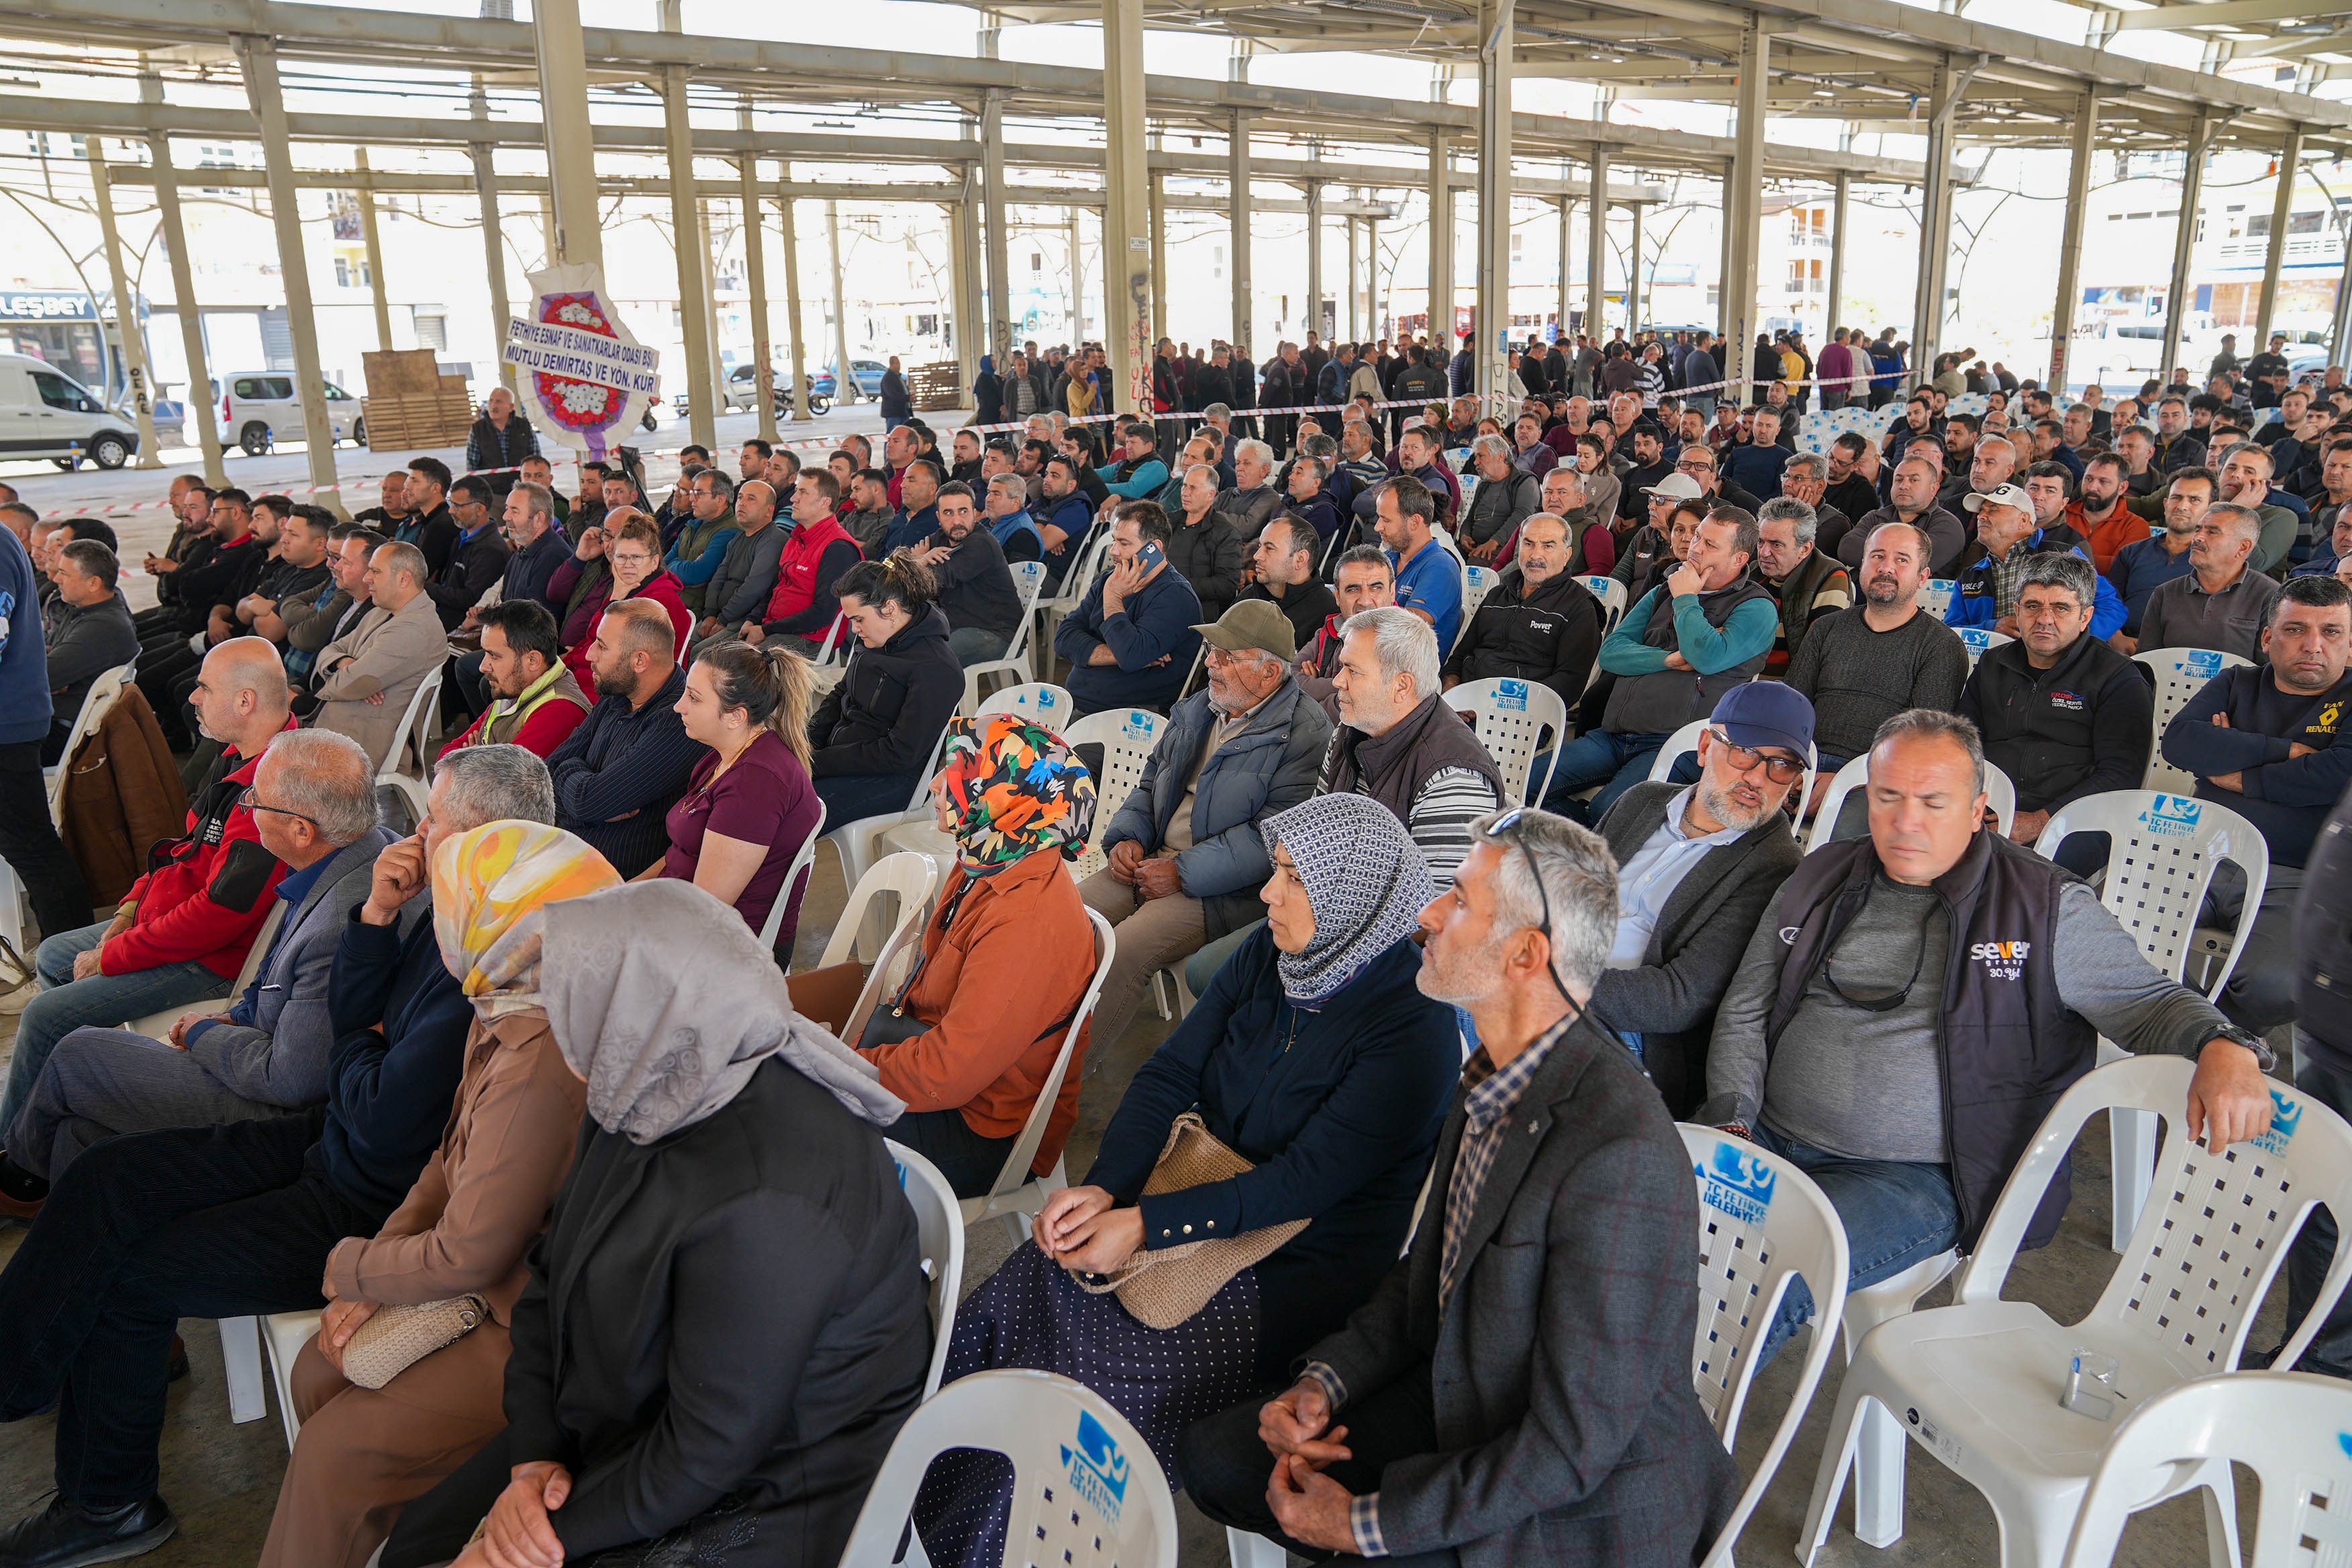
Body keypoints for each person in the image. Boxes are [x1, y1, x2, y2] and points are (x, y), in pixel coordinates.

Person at [0, 807, 599, 1568]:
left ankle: (106, 1500)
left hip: (353, 1190)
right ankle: (23, 1367)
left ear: (492, 846)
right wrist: (378, 920)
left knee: (128, 1274)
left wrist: (355, 1254)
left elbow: (354, 1091)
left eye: (439, 817)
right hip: (328, 1142)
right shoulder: (463, 946)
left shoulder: (487, 982)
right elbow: (358, 1040)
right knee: (105, 1172)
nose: (412, 830)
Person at [1181, 805, 1740, 1566]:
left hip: (1578, 1496)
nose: (1428, 913)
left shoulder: (1619, 1159)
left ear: (1524, 954)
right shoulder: (1491, 1071)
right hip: (1469, 1384)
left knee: (1356, 1532)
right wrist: (1326, 1383)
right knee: (1219, 1458)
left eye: (1461, 899)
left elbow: (1572, 1447)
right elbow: (1428, 1272)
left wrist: (1364, 1524)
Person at [924, 795, 1457, 1559]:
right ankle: (918, 1491)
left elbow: (1302, 1183)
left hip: (1300, 1256)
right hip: (1201, 1187)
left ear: (1353, 899)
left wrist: (1143, 1225)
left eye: (1294, 879)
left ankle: (1000, 1542)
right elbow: (1171, 1072)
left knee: (1099, 1366)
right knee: (1035, 1274)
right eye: (1275, 871)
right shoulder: (1276, 954)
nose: (1270, 894)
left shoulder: (1413, 1023)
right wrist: (1107, 1189)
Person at [377, 878, 928, 1568]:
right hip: (635, 1422)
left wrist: (532, 1543)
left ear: (643, 1011)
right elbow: (551, 1279)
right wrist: (533, 1456)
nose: (554, 1016)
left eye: (572, 997)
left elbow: (712, 1448)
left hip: (775, 1484)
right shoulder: (651, 1081)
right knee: (419, 1540)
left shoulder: (770, 1196)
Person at [1701, 708, 2276, 1360]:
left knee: (1752, 1276)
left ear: (1978, 810)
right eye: (1888, 797)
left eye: (1933, 802)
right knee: (1628, 1233)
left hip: (1915, 1176)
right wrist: (1732, 1120)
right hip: (1765, 1135)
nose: (1905, 821)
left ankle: (1661, 1447)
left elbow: (2147, 1003)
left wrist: (2226, 1043)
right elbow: (1747, 1008)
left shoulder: (2040, 905)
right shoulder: (1823, 874)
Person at [0, 731, 389, 1197]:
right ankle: (54, 1207)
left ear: (302, 831)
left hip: (276, 1108)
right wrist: (234, 1016)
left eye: (255, 801)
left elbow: (290, 1082)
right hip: (259, 1043)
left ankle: (16, 1179)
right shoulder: (357, 851)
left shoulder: (339, 920)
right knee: (76, 1136)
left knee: (76, 1054)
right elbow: (273, 980)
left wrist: (206, 1033)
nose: (246, 808)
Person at [0, 638, 296, 1140]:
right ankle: (67, 1100)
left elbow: (219, 916)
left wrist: (115, 956)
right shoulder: (237, 757)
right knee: (53, 954)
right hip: (175, 920)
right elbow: (180, 849)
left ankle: (18, 1160)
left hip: (215, 960)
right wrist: (129, 909)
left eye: (204, 687)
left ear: (245, 701)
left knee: (45, 1015)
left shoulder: (272, 788)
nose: (193, 698)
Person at [853, 714, 1098, 1197]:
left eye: (965, 774)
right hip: (947, 1079)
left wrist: (847, 1067)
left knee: (796, 1130)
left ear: (1010, 800)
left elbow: (948, 1075)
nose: (940, 785)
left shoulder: (1027, 918)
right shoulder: (985, 861)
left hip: (985, 1128)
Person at [1080, 602, 1332, 1046]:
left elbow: (1271, 836)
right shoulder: (1200, 707)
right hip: (1153, 859)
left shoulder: (1305, 732)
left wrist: (1182, 872)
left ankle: (1060, 1084)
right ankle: (1025, 1044)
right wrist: (1129, 836)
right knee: (1065, 918)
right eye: (1212, 649)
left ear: (1270, 673)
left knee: (1121, 952)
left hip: (1224, 890)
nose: (1211, 663)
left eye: (1227, 656)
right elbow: (1150, 780)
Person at [1594, 680, 1810, 1116]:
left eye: (1781, 765)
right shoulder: (1642, 801)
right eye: (1744, 751)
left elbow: (1679, 998)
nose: (1757, 777)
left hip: (1635, 1035)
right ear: (1705, 746)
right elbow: (1561, 894)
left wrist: (1542, 981)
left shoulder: (1775, 866)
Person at [2160, 574, 2352, 1033]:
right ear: (2268, 638)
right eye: (2295, 629)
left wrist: (2235, 769)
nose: (2312, 645)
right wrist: (2283, 751)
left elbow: (2338, 775)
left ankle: (2210, 1036)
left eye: (2330, 632)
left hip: (2291, 876)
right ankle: (2187, 1028)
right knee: (2111, 933)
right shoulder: (2237, 681)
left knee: (2281, 984)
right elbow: (2182, 743)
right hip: (2199, 855)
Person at [1547, 507, 1777, 824]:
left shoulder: (1757, 607)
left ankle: (1590, 838)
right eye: (1697, 537)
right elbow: (1611, 652)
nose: (1695, 547)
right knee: (1520, 783)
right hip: (1615, 734)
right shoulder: (1661, 592)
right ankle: (1579, 836)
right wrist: (1667, 659)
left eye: (1710, 545)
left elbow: (1706, 657)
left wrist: (1686, 599)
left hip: (1674, 744)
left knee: (1609, 811)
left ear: (1739, 559)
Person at [1958, 552, 2153, 873]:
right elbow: (1963, 743)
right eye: (2033, 606)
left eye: (2061, 608)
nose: (2044, 619)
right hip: (1989, 807)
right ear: (2017, 610)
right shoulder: (1994, 664)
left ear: (2086, 617)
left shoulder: (2119, 678)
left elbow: (2120, 775)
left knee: (2010, 878)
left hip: (2077, 820)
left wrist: (2040, 820)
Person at [654, 639, 822, 952]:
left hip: (724, 950)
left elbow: (705, 908)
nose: (679, 706)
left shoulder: (756, 784)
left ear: (736, 716)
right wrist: (623, 891)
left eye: (694, 697)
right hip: (683, 916)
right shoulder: (724, 756)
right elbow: (681, 856)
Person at [1320, 607, 1504, 887]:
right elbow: (1313, 835)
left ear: (1402, 686)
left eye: (1353, 671)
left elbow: (1434, 914)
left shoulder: (1453, 779)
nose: (1337, 681)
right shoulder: (1348, 732)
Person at [545, 599, 708, 878]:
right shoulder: (617, 694)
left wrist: (575, 783)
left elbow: (589, 801)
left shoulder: (678, 720)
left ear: (640, 661)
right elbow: (549, 769)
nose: (589, 655)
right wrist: (582, 790)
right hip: (566, 850)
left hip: (609, 883)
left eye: (603, 646)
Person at [806, 554, 964, 830]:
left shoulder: (936, 668)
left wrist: (816, 761)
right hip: (843, 756)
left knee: (787, 815)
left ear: (889, 609)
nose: (854, 629)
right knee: (768, 786)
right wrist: (807, 741)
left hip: (896, 780)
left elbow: (899, 754)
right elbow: (842, 692)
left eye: (858, 619)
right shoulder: (874, 635)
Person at [1440, 511, 1604, 712]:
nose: (1535, 555)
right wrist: (1452, 691)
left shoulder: (1579, 607)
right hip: (1464, 703)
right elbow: (1459, 657)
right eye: (1528, 544)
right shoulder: (1497, 596)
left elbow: (1568, 684)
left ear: (1566, 555)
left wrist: (1491, 707)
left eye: (1548, 546)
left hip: (1518, 718)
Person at [1054, 501, 1206, 716]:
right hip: (1079, 704)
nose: (1114, 551)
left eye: (1124, 544)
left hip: (1131, 721)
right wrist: (1115, 654)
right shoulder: (1110, 579)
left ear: (1155, 548)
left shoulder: (1176, 596)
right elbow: (1063, 639)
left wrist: (1113, 597)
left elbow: (1131, 656)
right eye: (1115, 541)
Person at [311, 541, 453, 771]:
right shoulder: (383, 611)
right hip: (343, 724)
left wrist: (351, 676)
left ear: (403, 579)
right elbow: (330, 649)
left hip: (363, 741)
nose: (367, 578)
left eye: (375, 571)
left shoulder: (413, 629)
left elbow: (349, 684)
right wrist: (344, 662)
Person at [1947, 483, 2125, 640]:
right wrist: (1991, 628)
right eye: (1981, 511)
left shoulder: (2063, 555)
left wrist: (2072, 644)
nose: (1981, 516)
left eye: (1993, 509)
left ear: (2023, 520)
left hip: (2054, 667)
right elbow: (1951, 631)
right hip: (1991, 666)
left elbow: (2112, 607)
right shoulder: (1970, 576)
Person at [546, 511, 691, 693]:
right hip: (588, 675)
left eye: (637, 557)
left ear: (655, 562)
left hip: (618, 691)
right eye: (621, 557)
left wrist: (571, 663)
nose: (628, 565)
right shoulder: (628, 588)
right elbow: (594, 636)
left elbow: (620, 663)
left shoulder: (658, 602)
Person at [438, 600, 591, 761]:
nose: (483, 667)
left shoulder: (559, 712)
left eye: (494, 656)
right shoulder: (515, 687)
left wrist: (473, 760)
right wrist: (478, 763)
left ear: (532, 660)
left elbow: (497, 782)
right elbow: (447, 755)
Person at [2137, 499, 2282, 661]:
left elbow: (2268, 670)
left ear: (2243, 547)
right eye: (2198, 529)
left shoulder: (2271, 596)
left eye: (2212, 532)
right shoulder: (2165, 593)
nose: (2197, 537)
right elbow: (2146, 661)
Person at [40, 538, 139, 764]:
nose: (57, 579)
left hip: (64, 734)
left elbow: (42, 677)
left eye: (64, 574)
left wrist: (48, 671)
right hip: (58, 719)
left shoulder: (101, 627)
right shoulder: (88, 609)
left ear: (93, 583)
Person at [905, 478, 1024, 667]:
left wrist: (919, 561)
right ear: (938, 517)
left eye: (963, 511)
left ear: (974, 513)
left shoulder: (981, 544)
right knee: (900, 641)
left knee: (929, 658)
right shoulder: (941, 538)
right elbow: (899, 567)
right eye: (948, 513)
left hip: (996, 633)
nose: (957, 521)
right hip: (955, 623)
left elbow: (935, 578)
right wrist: (916, 562)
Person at [2107, 467, 2214, 653]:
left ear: (2212, 508)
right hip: (2123, 648)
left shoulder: (2214, 560)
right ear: (2165, 504)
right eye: (2176, 497)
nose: (2182, 506)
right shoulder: (2132, 552)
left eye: (2195, 500)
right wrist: (2116, 638)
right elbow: (2108, 601)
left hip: (2183, 654)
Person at [1754, 497, 1852, 675]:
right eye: (1761, 541)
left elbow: (1820, 652)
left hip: (1788, 688)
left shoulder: (1830, 576)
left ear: (1805, 549)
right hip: (1740, 682)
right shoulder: (1752, 571)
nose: (1764, 552)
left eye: (1776, 545)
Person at [1374, 473, 1464, 653]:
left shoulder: (1441, 567)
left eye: (1386, 519)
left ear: (1415, 522)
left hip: (1409, 670)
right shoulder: (1391, 556)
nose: (1377, 527)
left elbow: (1405, 633)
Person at [1843, 453, 1967, 577]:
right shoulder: (1876, 517)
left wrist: (1875, 554)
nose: (1904, 486)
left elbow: (1917, 564)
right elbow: (1847, 549)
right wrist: (1900, 557)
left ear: (1933, 488)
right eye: (1899, 479)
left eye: (1914, 480)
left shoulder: (1948, 525)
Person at [1237, 513, 1338, 648]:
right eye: (1259, 546)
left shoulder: (1326, 613)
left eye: (1269, 548)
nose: (1257, 556)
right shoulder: (1250, 594)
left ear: (1300, 559)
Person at [424, 477, 511, 632]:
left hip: (458, 627)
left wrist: (426, 588)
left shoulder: (490, 550)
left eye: (458, 506)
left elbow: (470, 598)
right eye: (451, 503)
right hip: (441, 616)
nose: (451, 510)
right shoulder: (463, 536)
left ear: (480, 509)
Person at [1168, 463, 1248, 621]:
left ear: (1211, 495)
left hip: (1198, 610)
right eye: (1184, 486)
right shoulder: (1168, 522)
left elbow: (1226, 584)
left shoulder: (1225, 532)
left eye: (1193, 488)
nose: (1185, 493)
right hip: (1161, 601)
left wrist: (1179, 586)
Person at [660, 467, 742, 618]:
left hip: (694, 613)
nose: (692, 499)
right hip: (672, 603)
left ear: (720, 500)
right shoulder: (693, 525)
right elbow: (662, 566)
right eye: (692, 493)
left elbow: (696, 574)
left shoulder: (729, 532)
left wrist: (676, 566)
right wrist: (682, 567)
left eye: (699, 493)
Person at [1460, 434, 1540, 564]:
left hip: (1505, 546)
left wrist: (1495, 541)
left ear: (1500, 457)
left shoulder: (1525, 481)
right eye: (1476, 457)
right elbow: (1470, 517)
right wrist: (1465, 535)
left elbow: (1522, 516)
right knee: (1446, 557)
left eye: (1481, 456)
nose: (1475, 462)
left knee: (1477, 562)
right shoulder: (1484, 484)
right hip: (1476, 545)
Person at [464, 384, 538, 477]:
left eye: (499, 402)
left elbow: (536, 460)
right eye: (491, 401)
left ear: (511, 407)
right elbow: (472, 465)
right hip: (491, 489)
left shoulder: (524, 427)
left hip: (521, 486)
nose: (493, 406)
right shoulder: (478, 429)